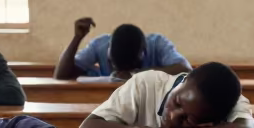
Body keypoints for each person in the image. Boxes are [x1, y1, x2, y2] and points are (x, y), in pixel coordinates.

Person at [77, 62, 254, 128]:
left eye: (188, 119)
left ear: (210, 123)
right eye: (176, 102)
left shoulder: (230, 100)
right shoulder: (145, 84)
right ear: (183, 82)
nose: (172, 116)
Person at [53, 17, 191, 80]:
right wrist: (77, 38)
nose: (120, 73)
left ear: (144, 53)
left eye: (130, 67)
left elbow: (185, 70)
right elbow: (61, 75)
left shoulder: (157, 43)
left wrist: (135, 74)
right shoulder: (100, 45)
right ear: (108, 53)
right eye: (114, 66)